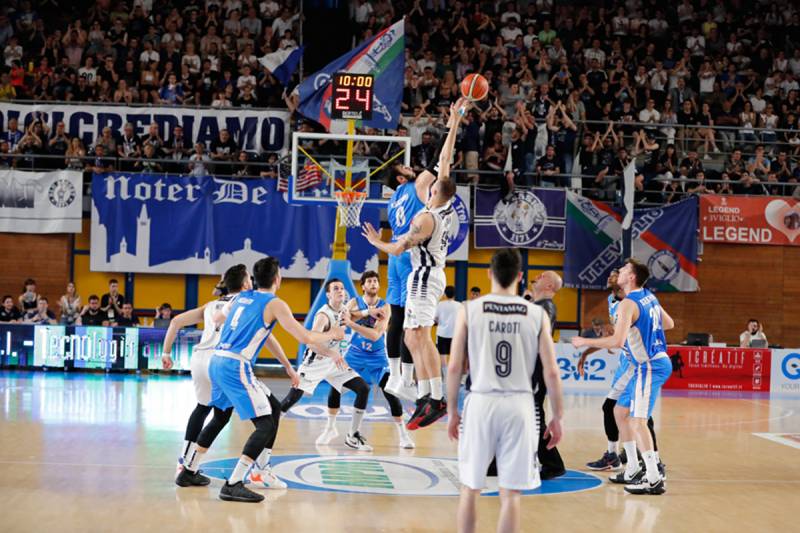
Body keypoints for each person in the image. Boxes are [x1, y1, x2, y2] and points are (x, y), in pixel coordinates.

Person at [199, 257, 344, 503]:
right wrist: (334, 333)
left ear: (254, 280)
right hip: (235, 365)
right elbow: (306, 338)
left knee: (272, 409)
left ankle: (254, 471)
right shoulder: (275, 303)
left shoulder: (240, 298)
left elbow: (217, 320)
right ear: (278, 279)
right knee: (265, 424)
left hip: (216, 360)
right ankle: (234, 482)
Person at [362, 98, 466, 430]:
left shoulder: (426, 217)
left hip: (422, 275)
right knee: (411, 336)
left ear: (434, 191)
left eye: (430, 182)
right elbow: (446, 159)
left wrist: (376, 242)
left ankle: (434, 397)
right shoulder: (444, 206)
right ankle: (425, 394)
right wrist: (454, 122)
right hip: (426, 274)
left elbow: (397, 249)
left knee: (419, 336)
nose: (426, 179)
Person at [446, 248, 564, 533]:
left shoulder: (469, 309)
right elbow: (551, 371)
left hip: (481, 401)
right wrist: (558, 416)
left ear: (489, 274)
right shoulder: (536, 314)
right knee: (510, 495)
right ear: (520, 276)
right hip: (520, 405)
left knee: (470, 489)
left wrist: (452, 412)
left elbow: (454, 367)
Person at [162, 264, 297, 489]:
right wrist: (288, 366)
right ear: (246, 283)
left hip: (201, 361)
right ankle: (258, 471)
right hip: (227, 362)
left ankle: (187, 464)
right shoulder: (248, 301)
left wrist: (166, 353)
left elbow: (176, 321)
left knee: (207, 411)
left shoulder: (212, 304)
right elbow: (268, 339)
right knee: (268, 413)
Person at [572, 259, 674, 495]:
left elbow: (617, 341)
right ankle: (633, 468)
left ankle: (653, 477)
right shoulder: (648, 296)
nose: (619, 272)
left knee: (638, 422)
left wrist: (585, 341)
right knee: (619, 411)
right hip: (647, 363)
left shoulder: (628, 303)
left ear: (632, 278)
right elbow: (668, 323)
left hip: (650, 365)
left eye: (625, 270)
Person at [323, 271, 415, 449]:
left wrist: (353, 322)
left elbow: (374, 335)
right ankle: (330, 428)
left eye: (375, 281)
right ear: (363, 286)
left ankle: (403, 435)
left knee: (391, 394)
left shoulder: (386, 307)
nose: (373, 283)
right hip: (355, 355)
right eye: (369, 281)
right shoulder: (353, 302)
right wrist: (366, 313)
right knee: (334, 388)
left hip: (377, 357)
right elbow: (343, 316)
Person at [280, 279, 374, 451]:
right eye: (336, 289)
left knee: (363, 389)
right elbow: (310, 343)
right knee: (291, 398)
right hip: (315, 363)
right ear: (328, 294)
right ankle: (269, 425)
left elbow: (356, 314)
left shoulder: (345, 310)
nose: (340, 291)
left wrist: (371, 311)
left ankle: (352, 435)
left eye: (342, 288)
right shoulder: (323, 315)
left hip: (335, 364)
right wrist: (332, 353)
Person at [529, 270, 566, 479]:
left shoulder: (546, 308)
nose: (537, 276)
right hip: (530, 368)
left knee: (535, 415)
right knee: (531, 414)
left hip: (535, 369)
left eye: (543, 276)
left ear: (550, 286)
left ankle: (553, 464)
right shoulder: (537, 305)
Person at [434, 285, 460, 375]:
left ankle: (446, 376)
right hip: (455, 334)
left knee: (442, 356)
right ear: (454, 295)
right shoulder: (459, 305)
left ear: (445, 294)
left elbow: (435, 319)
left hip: (442, 334)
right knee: (454, 356)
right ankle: (454, 376)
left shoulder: (440, 304)